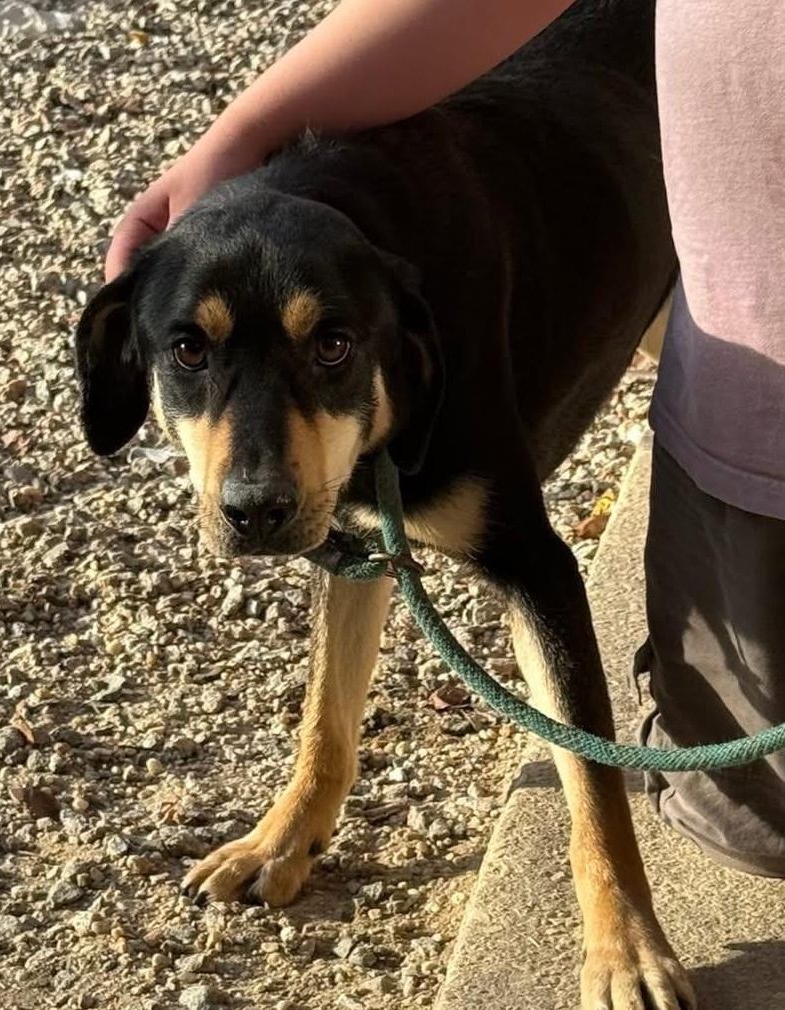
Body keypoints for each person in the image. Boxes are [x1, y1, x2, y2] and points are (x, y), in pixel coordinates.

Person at [106, 0, 785, 876]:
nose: (253, 481)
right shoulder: (342, 305)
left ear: (407, 350)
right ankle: (317, 786)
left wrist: (610, 893)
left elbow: (536, 578)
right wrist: (236, 131)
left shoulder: (410, 321)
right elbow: (358, 533)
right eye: (191, 353)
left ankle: (608, 881)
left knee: (750, 815)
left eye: (329, 350)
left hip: (724, 124)